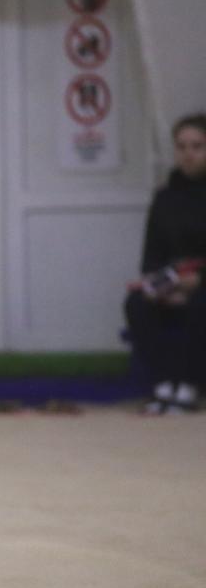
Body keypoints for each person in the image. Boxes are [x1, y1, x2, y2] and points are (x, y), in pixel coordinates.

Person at [124, 113, 206, 414]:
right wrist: (161, 285)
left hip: (201, 285)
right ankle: (163, 383)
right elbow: (151, 255)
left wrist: (198, 282)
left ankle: (189, 384)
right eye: (181, 146)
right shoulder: (165, 198)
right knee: (137, 303)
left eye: (197, 146)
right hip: (172, 281)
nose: (188, 154)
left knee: (200, 304)